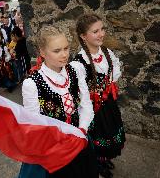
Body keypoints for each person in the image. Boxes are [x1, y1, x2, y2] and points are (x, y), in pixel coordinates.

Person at [18, 26, 98, 178]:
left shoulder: (76, 70)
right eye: (56, 51)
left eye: (66, 48)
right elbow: (35, 124)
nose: (64, 55)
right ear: (42, 52)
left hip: (79, 139)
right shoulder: (32, 84)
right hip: (55, 148)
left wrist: (81, 131)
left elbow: (86, 105)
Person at [72, 13, 126, 178]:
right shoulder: (79, 63)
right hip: (93, 109)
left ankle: (104, 159)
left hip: (108, 103)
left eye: (102, 29)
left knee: (111, 132)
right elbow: (79, 93)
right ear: (83, 36)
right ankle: (98, 163)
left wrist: (107, 89)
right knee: (98, 136)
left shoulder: (107, 52)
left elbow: (113, 74)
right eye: (95, 31)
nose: (101, 34)